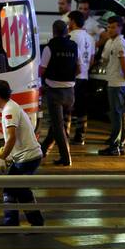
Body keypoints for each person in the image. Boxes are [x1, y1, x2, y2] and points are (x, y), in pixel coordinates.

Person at [0, 80, 44, 227]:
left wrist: (1, 158)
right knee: (12, 189)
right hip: (25, 156)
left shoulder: (9, 110)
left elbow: (12, 137)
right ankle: (13, 223)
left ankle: (35, 223)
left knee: (19, 189)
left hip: (28, 157)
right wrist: (7, 154)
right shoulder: (10, 107)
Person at [39, 20, 79, 165]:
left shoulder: (49, 47)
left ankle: (66, 157)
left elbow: (42, 69)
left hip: (54, 92)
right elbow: (79, 68)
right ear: (67, 30)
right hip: (70, 92)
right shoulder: (74, 46)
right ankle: (42, 149)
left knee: (57, 126)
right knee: (59, 124)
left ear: (53, 31)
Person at [98, 16, 125, 156]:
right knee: (117, 113)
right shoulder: (110, 42)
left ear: (120, 27)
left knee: (116, 114)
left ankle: (115, 146)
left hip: (118, 83)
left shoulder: (120, 43)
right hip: (112, 81)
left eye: (113, 27)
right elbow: (105, 59)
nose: (110, 30)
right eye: (108, 27)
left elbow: (124, 66)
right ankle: (119, 142)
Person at [67, 11, 95, 146]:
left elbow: (69, 58)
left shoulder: (71, 36)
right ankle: (80, 136)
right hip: (85, 75)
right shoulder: (90, 38)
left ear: (72, 21)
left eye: (69, 20)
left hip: (73, 76)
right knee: (82, 108)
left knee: (68, 107)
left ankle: (65, 135)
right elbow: (92, 59)